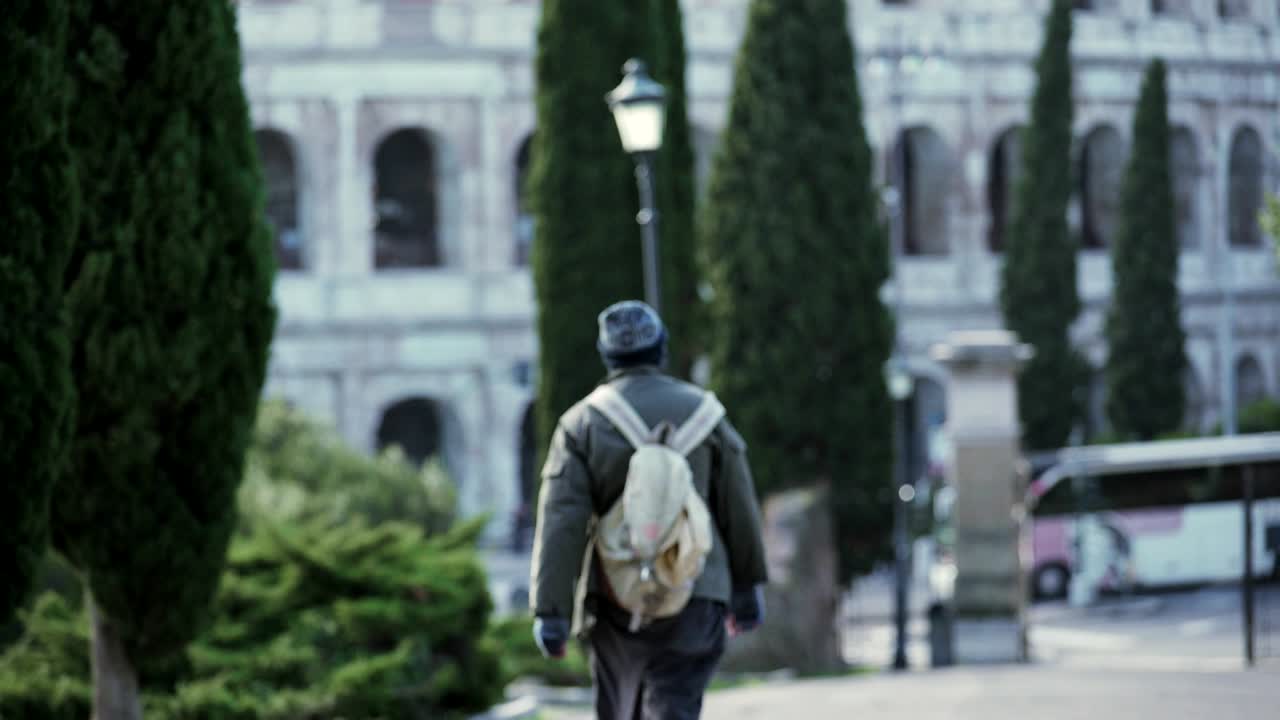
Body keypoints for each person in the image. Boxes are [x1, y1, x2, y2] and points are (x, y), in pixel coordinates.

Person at [529, 300, 769, 720]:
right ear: (661, 349)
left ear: (607, 357)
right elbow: (738, 504)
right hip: (697, 590)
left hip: (615, 597)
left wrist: (552, 612)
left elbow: (560, 522)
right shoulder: (708, 416)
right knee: (676, 704)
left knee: (621, 708)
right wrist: (747, 588)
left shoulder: (580, 424)